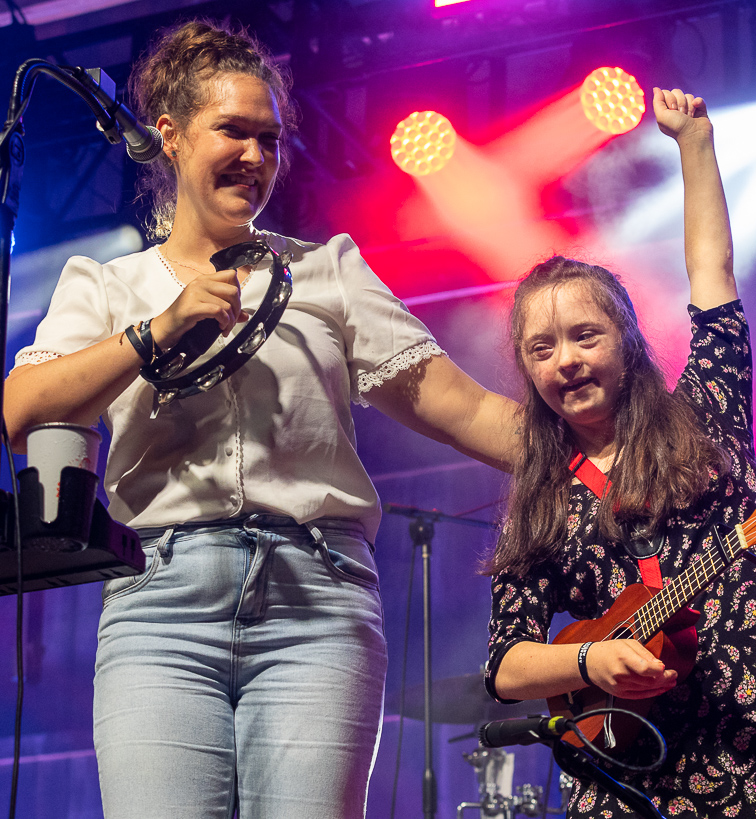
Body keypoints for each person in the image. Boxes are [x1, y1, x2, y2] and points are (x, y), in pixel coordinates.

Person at [4, 20, 516, 819]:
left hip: (319, 598)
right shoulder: (107, 284)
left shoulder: (327, 268)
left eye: (270, 139)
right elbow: (21, 408)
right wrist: (158, 329)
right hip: (159, 603)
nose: (256, 156)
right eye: (233, 131)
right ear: (169, 137)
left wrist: (605, 454)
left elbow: (462, 404)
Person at [483, 88, 756, 818]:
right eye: (542, 347)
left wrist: (694, 144)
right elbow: (505, 666)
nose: (565, 360)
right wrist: (590, 659)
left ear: (625, 341)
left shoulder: (707, 415)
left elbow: (713, 277)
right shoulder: (541, 496)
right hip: (630, 773)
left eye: (585, 336)